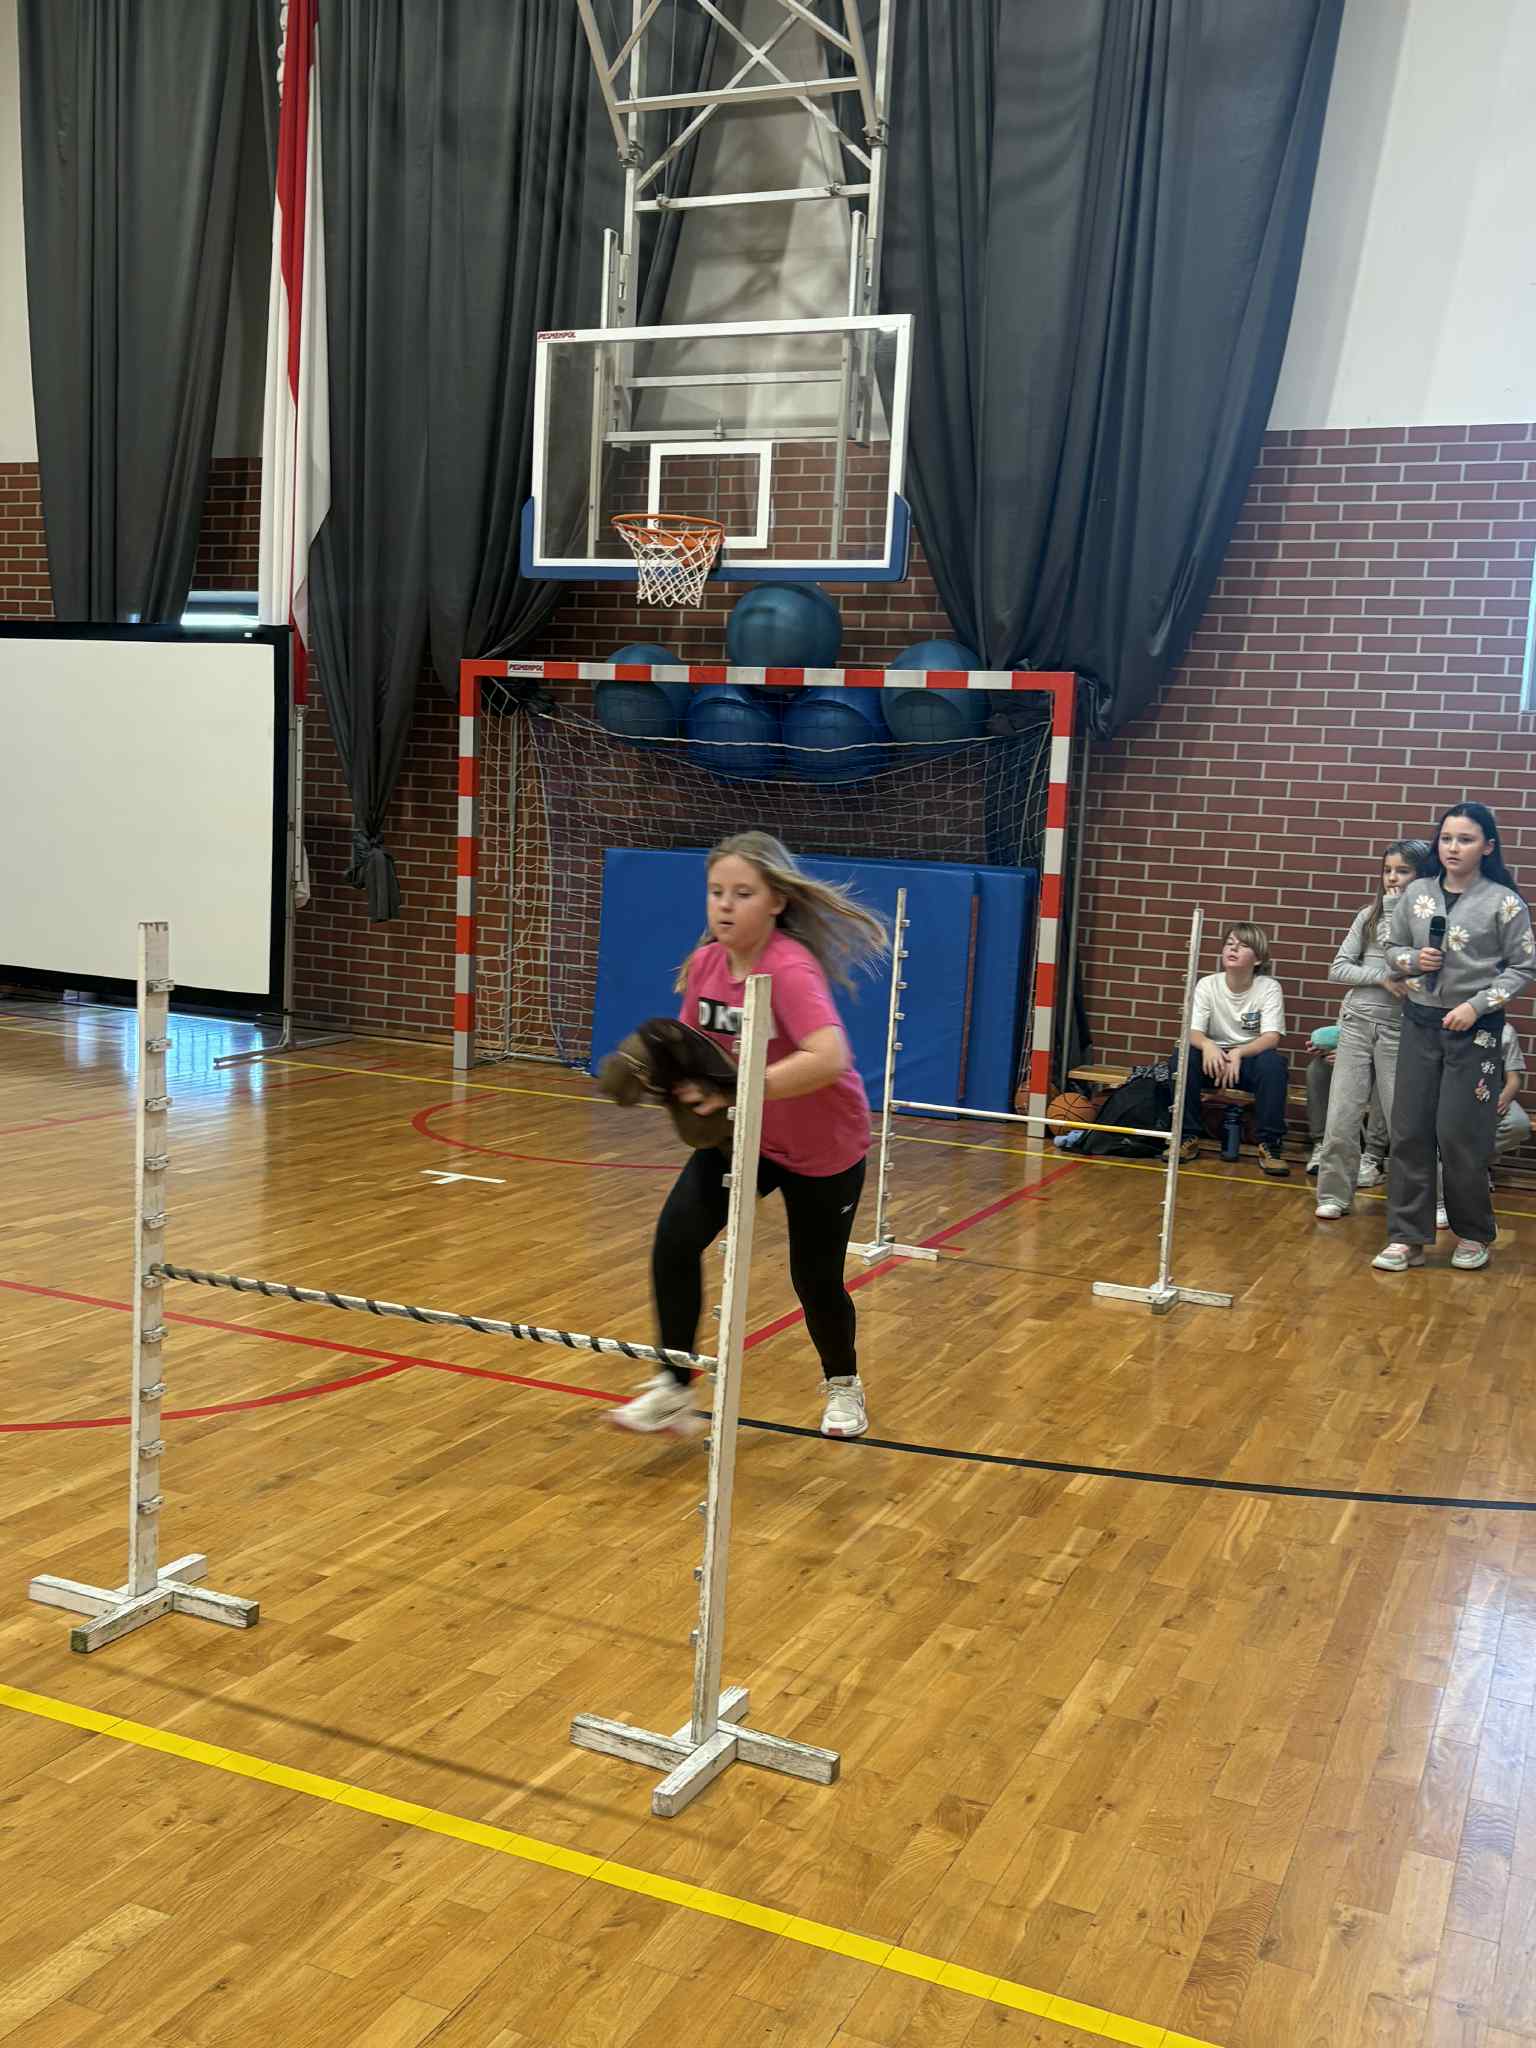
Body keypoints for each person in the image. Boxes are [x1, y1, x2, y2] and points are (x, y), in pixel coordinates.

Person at [610, 832, 886, 1439]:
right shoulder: (706, 964)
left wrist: (737, 1088)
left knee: (815, 1278)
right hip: (748, 1137)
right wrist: (669, 1079)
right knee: (675, 1239)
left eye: (742, 893)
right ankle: (674, 1386)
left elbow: (829, 1057)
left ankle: (843, 1384)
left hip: (823, 1146)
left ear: (776, 901)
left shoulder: (789, 968)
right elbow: (694, 1051)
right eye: (716, 892)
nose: (725, 905)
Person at [1374, 802, 1535, 1271]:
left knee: (1460, 1133)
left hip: (1474, 1030)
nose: (1453, 847)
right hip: (1420, 1023)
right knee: (1410, 1131)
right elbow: (1391, 948)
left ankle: (1473, 1233)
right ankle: (1407, 1237)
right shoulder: (1417, 892)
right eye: (1446, 838)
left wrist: (1477, 1006)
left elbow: (1523, 967)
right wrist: (1411, 961)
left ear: (1487, 846)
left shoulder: (1505, 902)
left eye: (1465, 839)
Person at [1314, 839, 1435, 1219]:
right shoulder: (1368, 916)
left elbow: (1403, 960)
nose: (1392, 878)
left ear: (1422, 876)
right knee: (1341, 1117)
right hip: (1356, 1024)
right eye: (1387, 871)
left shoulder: (1430, 921)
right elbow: (1338, 969)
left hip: (1399, 1030)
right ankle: (1334, 1195)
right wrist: (1380, 978)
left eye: (1403, 871)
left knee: (1405, 1123)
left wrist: (1398, 910)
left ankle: (1424, 1200)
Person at [1180, 923, 1290, 1176]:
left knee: (1273, 1065)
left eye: (1243, 946)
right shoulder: (1207, 984)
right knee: (1182, 1058)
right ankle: (1187, 1136)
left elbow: (1271, 1037)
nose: (1233, 949)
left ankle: (1270, 1144)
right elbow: (1192, 1032)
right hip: (1213, 1059)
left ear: (1258, 959)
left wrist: (1239, 1053)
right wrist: (1208, 1045)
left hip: (1247, 1060)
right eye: (1229, 944)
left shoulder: (1269, 987)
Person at [1434, 1019, 1530, 1229]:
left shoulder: (1506, 1030)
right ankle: (1444, 1199)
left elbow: (1514, 1078)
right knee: (1444, 1141)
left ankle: (1474, 1164)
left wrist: (1505, 1097)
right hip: (1453, 1095)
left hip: (1490, 1096)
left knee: (1519, 1123)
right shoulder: (1450, 1024)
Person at [1305, 1021, 1388, 1185]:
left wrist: (1354, 1056)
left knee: (1384, 1079)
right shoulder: (1354, 1005)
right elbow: (1346, 1034)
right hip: (1358, 1059)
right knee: (1318, 1068)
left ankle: (1374, 1157)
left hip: (1387, 1063)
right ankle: (1323, 1145)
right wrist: (1327, 1049)